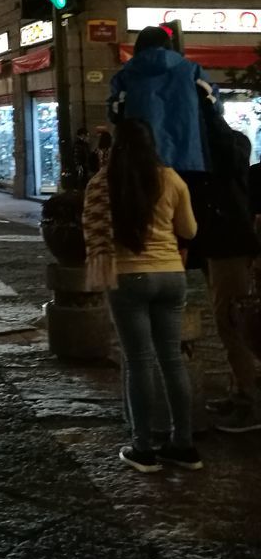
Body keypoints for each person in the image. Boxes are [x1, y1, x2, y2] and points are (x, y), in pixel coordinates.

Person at [83, 117, 200, 473]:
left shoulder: (105, 183)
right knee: (171, 359)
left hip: (129, 277)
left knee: (138, 362)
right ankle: (184, 444)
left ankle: (143, 447)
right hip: (171, 276)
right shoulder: (171, 179)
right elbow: (189, 230)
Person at [189, 86, 261, 433]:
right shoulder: (216, 154)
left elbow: (221, 143)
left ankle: (249, 400)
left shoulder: (232, 147)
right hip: (216, 245)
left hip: (229, 246)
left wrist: (205, 108)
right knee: (225, 320)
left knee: (233, 321)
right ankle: (239, 389)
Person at [107, 25, 215, 175]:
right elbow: (214, 106)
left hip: (143, 164)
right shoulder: (192, 71)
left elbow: (115, 113)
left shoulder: (126, 76)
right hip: (189, 161)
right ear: (168, 45)